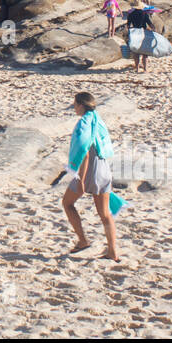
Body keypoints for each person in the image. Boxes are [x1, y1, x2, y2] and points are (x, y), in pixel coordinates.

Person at [61, 92, 121, 262]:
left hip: (89, 172)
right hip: (103, 169)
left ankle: (82, 240)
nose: (73, 107)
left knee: (67, 203)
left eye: (74, 104)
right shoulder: (97, 120)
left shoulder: (84, 124)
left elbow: (85, 153)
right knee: (105, 214)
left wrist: (80, 179)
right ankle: (112, 251)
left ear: (81, 105)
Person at [126, 6, 152, 72]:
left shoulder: (131, 14)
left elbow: (128, 25)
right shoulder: (144, 14)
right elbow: (150, 23)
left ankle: (137, 68)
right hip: (143, 33)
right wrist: (153, 29)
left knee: (136, 52)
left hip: (135, 33)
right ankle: (145, 69)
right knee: (145, 52)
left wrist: (130, 31)